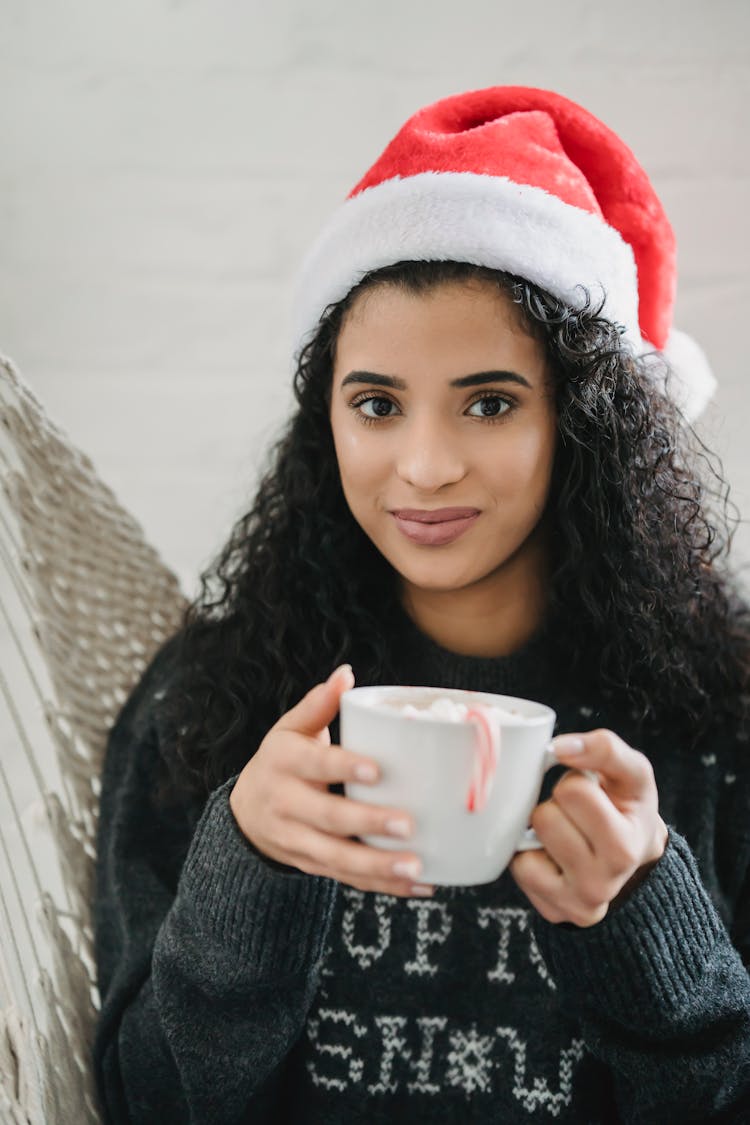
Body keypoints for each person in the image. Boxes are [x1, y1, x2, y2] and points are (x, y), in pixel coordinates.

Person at [92, 86, 750, 1124]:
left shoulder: (722, 717)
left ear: (587, 425)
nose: (426, 466)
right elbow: (143, 1104)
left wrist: (645, 925)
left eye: (490, 402)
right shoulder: (210, 701)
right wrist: (248, 868)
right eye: (377, 404)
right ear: (326, 423)